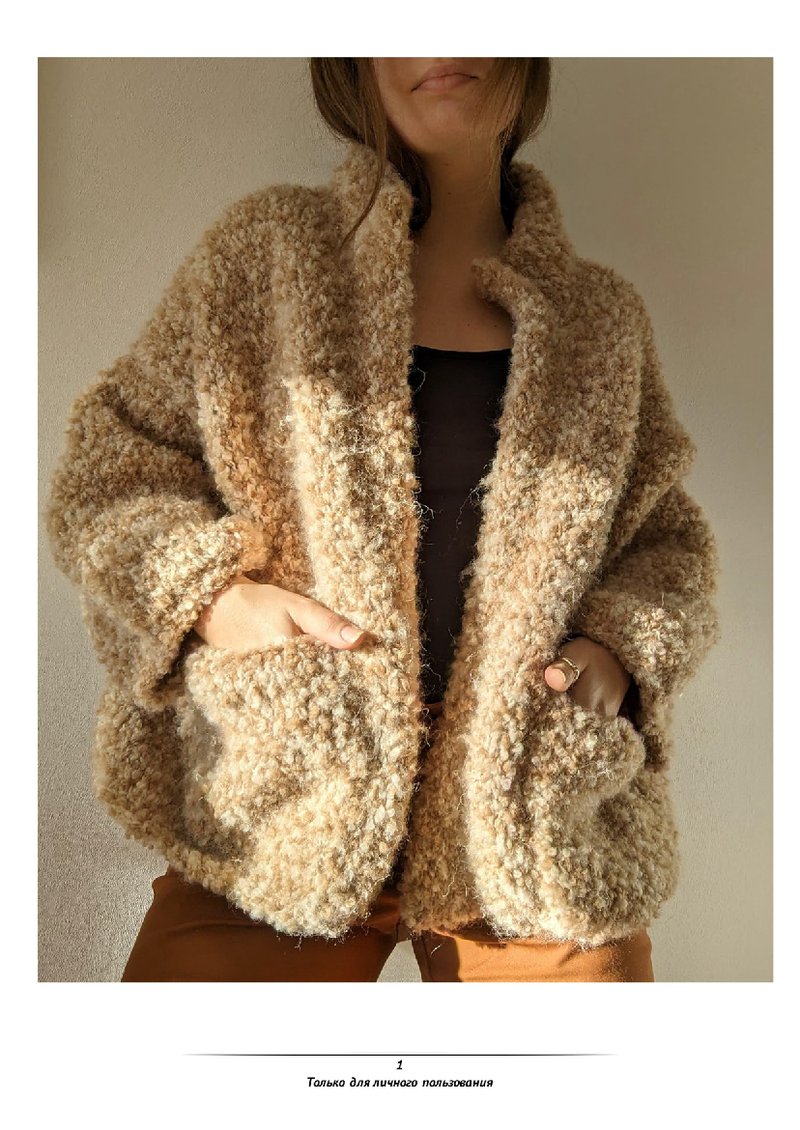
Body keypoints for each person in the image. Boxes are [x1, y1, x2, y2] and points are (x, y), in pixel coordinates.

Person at [45, 58, 720, 981]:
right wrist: (215, 601)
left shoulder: (598, 319)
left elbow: (667, 545)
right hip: (282, 794)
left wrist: (616, 652)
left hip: (530, 811)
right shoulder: (269, 256)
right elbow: (109, 472)